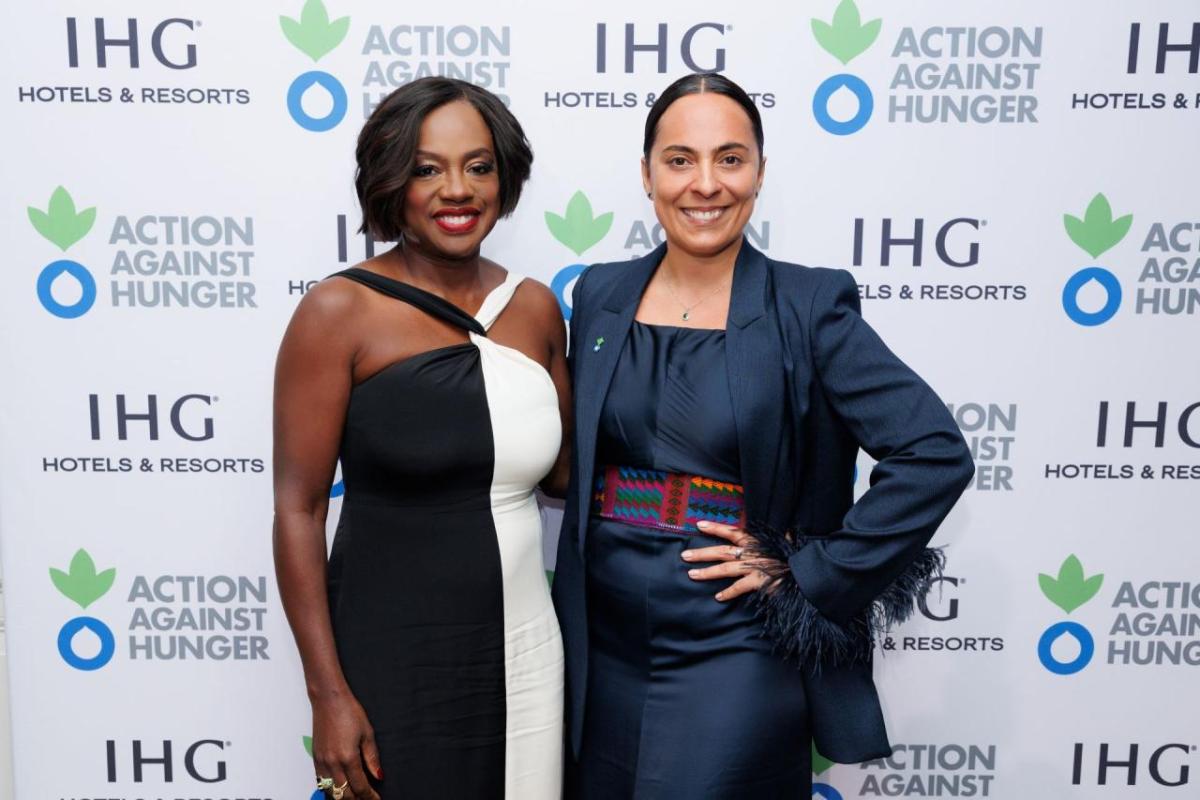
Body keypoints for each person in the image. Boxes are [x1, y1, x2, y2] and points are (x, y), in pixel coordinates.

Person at [552, 72, 975, 798]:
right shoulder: (600, 294)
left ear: (760, 172)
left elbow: (933, 452)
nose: (705, 184)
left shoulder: (807, 306)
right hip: (602, 642)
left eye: (730, 158)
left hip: (736, 642)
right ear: (647, 174)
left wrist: (812, 572)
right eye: (680, 159)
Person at [273, 77, 570, 800]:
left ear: (504, 174)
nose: (457, 190)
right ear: (390, 182)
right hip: (393, 660)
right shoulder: (338, 311)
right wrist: (328, 694)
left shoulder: (534, 309)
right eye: (427, 169)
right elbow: (298, 510)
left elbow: (569, 481)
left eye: (478, 165)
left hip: (527, 654)